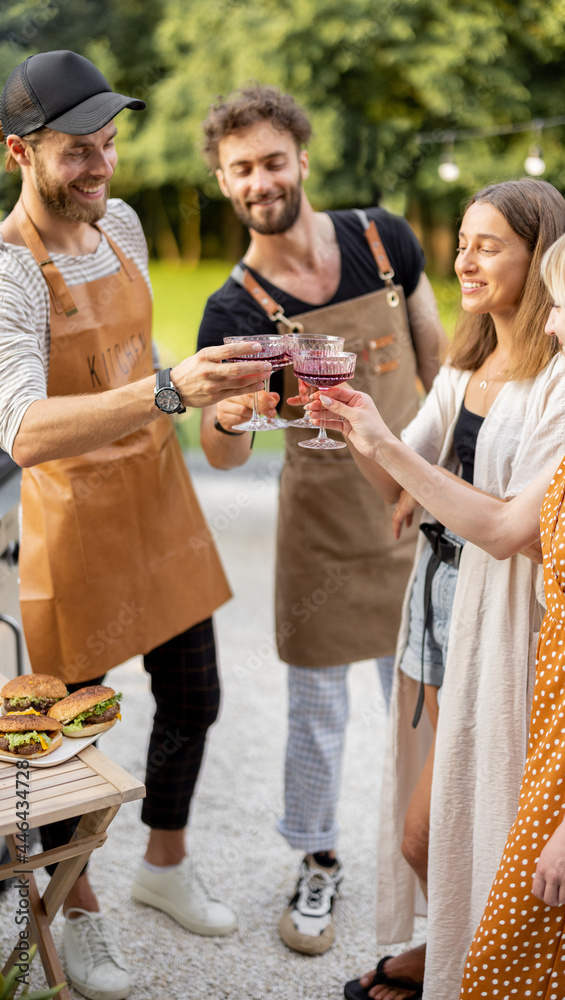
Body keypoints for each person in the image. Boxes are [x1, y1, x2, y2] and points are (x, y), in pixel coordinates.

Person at [312, 183, 565, 999]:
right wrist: (359, 426)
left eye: (562, 303)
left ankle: (453, 962)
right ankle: (448, 957)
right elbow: (469, 510)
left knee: (548, 933)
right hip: (548, 698)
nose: (547, 319)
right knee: (546, 935)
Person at [0, 50, 273, 1000]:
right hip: (73, 521)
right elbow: (24, 428)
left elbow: (134, 353)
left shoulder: (118, 225)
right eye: (77, 151)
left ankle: (162, 864)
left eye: (109, 145)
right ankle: (78, 915)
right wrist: (166, 388)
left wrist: (212, 405)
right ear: (18, 154)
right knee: (66, 744)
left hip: (158, 497)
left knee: (194, 697)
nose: (102, 168)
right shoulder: (8, 272)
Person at [196, 83, 444, 955]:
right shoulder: (232, 311)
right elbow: (223, 453)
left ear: (301, 157)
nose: (259, 180)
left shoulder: (383, 240)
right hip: (321, 530)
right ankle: (318, 860)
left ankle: (435, 860)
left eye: (271, 160)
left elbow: (435, 364)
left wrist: (443, 476)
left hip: (416, 516)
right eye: (240, 170)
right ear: (225, 184)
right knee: (315, 709)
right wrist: (226, 417)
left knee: (425, 704)